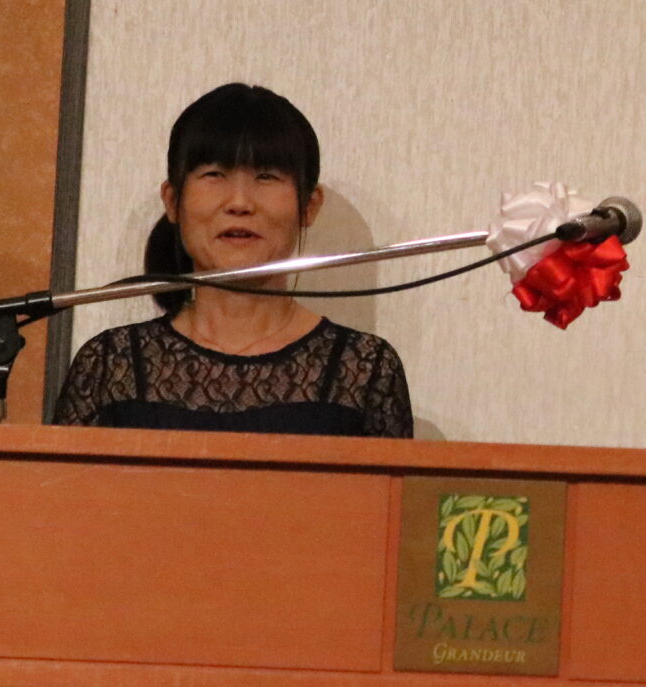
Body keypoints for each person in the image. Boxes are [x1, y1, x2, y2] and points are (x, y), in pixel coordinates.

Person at [54, 83, 411, 436]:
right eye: (214, 174)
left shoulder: (365, 369)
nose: (239, 203)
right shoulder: (110, 364)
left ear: (309, 205)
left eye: (266, 176)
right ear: (173, 201)